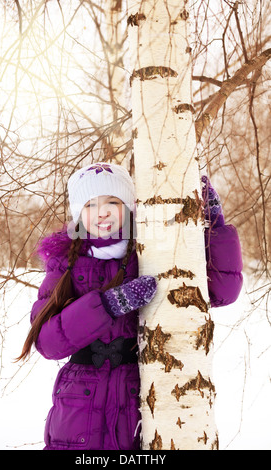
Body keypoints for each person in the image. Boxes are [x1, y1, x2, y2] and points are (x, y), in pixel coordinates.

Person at [17, 163, 243, 450]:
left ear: (129, 208)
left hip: (139, 399)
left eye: (113, 202)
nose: (102, 212)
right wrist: (109, 305)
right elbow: (48, 341)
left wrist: (213, 224)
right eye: (91, 205)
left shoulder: (151, 254)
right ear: (78, 214)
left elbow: (222, 291)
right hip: (77, 411)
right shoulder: (65, 265)